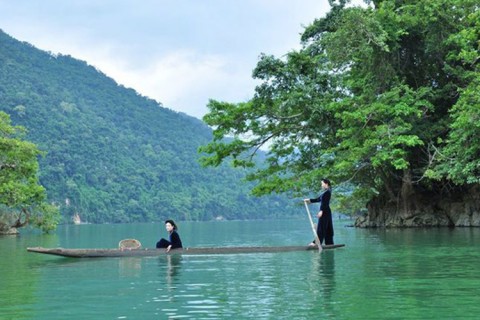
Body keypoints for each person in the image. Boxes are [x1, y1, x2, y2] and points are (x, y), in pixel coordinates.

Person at [304, 178, 334, 246]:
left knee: (321, 227)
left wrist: (321, 211)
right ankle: (329, 243)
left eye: (322, 183)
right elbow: (318, 199)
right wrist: (309, 200)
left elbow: (325, 203)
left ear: (326, 184)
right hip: (327, 212)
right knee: (328, 228)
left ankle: (316, 242)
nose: (321, 185)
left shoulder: (327, 192)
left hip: (325, 211)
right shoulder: (326, 192)